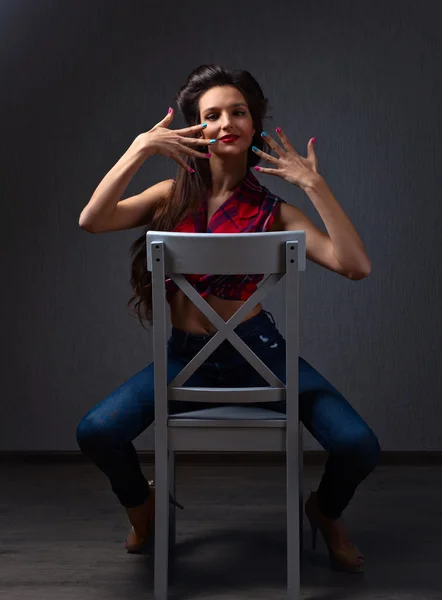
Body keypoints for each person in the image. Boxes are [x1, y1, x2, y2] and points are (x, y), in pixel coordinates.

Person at [76, 64, 380, 573]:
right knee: (97, 431)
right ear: (196, 127)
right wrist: (140, 149)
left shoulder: (276, 212)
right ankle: (144, 507)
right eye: (211, 114)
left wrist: (314, 185)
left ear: (254, 123)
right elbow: (93, 220)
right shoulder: (171, 198)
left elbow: (356, 266)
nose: (225, 123)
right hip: (184, 359)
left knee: (358, 446)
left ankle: (325, 514)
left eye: (237, 112)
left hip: (260, 354)